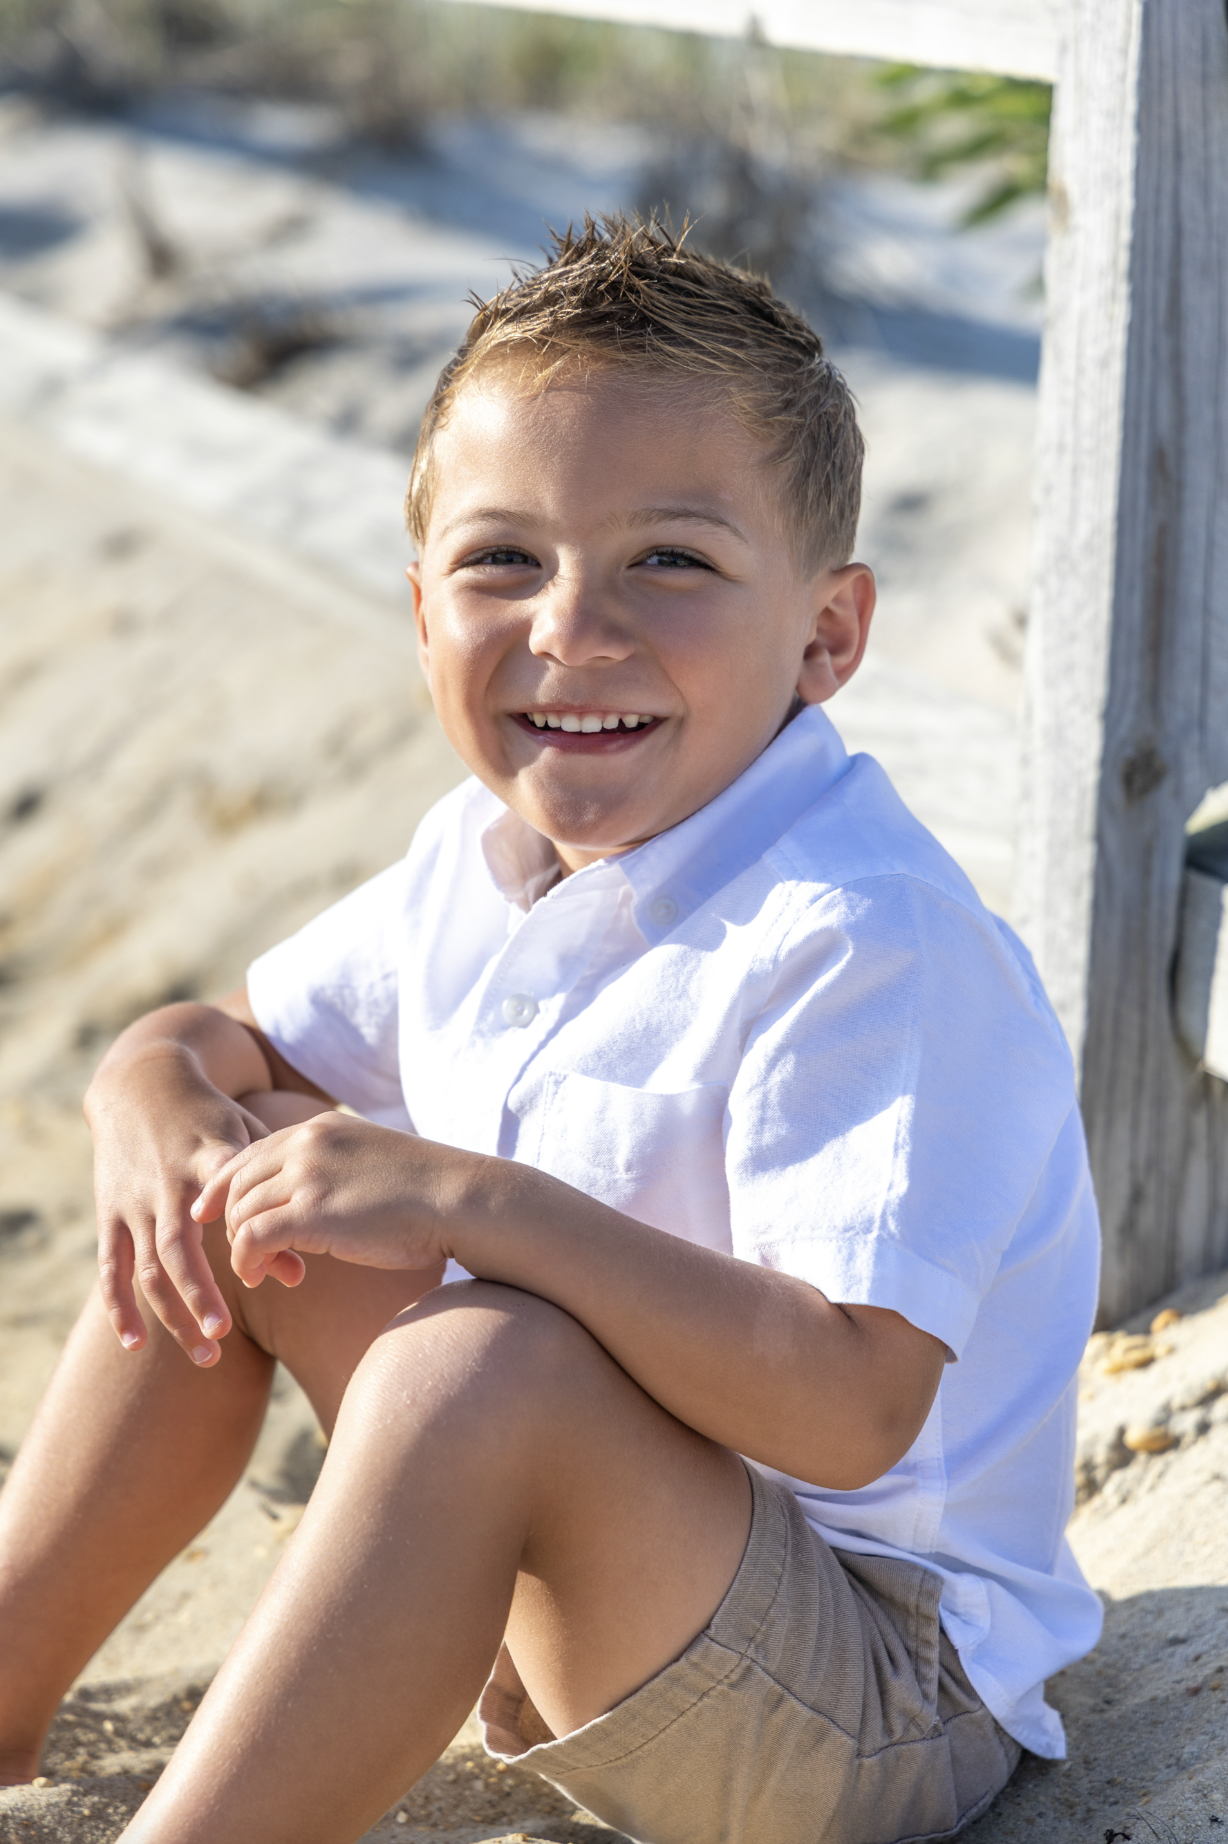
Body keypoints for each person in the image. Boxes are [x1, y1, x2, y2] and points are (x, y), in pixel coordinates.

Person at [0, 216, 1103, 1844]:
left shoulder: (862, 936)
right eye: (503, 558)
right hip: (614, 1593)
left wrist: (469, 1202)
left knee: (482, 1362)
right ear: (422, 601)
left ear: (828, 634)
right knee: (242, 1186)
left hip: (874, 1698)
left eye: (672, 560)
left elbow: (852, 1404)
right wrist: (144, 1090)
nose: (573, 626)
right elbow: (229, 1039)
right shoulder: (491, 853)